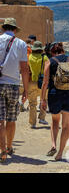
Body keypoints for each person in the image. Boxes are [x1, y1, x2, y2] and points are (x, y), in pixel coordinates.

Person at [40, 42, 69, 161]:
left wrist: (43, 99)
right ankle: (60, 153)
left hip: (55, 95)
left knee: (55, 121)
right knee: (66, 126)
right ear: (63, 50)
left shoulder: (50, 61)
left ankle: (53, 145)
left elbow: (45, 82)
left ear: (52, 52)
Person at [0, 18, 29, 164]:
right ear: (15, 30)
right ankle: (10, 147)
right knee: (11, 119)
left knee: (0, 120)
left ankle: (3, 151)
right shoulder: (21, 44)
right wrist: (26, 90)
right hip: (13, 85)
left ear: (3, 28)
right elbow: (24, 69)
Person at [27, 41, 49, 128]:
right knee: (44, 100)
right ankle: (42, 118)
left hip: (31, 81)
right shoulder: (45, 58)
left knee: (32, 103)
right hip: (42, 82)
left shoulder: (29, 57)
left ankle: (33, 123)